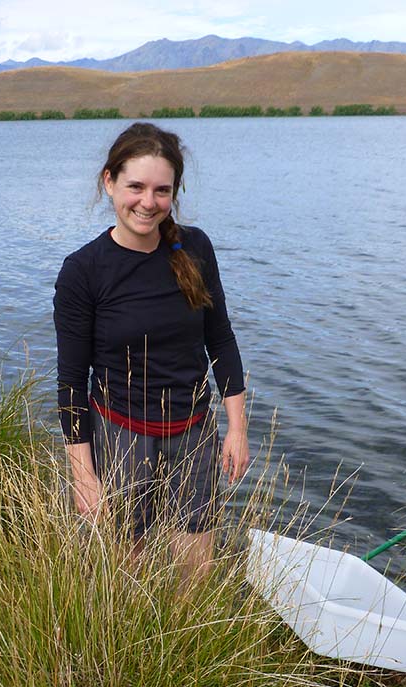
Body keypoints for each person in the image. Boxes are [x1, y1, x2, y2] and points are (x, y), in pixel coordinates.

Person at [53, 122, 248, 578]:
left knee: (195, 573)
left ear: (174, 192)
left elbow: (220, 339)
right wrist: (84, 475)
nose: (148, 202)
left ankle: (190, 645)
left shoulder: (194, 247)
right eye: (135, 186)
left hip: (194, 431)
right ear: (109, 181)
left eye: (162, 190)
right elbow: (70, 382)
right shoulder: (83, 271)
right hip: (121, 436)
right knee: (127, 575)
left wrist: (236, 427)